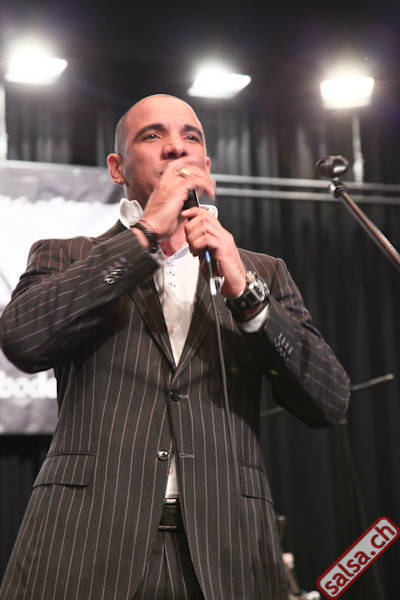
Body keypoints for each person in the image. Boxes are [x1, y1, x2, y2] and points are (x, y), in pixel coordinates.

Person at [0, 94, 350, 600]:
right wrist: (145, 233)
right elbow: (24, 340)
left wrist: (247, 294)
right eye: (152, 135)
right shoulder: (66, 256)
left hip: (228, 553)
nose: (175, 148)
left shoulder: (262, 271)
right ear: (117, 168)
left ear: (206, 164)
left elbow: (329, 400)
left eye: (190, 137)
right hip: (85, 544)